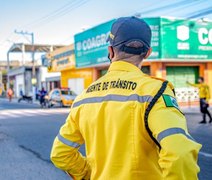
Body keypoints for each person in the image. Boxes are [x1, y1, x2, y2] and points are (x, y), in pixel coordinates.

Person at [51, 17, 201, 179]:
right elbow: (179, 151)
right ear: (148, 53)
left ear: (111, 51)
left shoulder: (84, 98)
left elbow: (60, 153)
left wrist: (88, 173)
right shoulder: (155, 91)